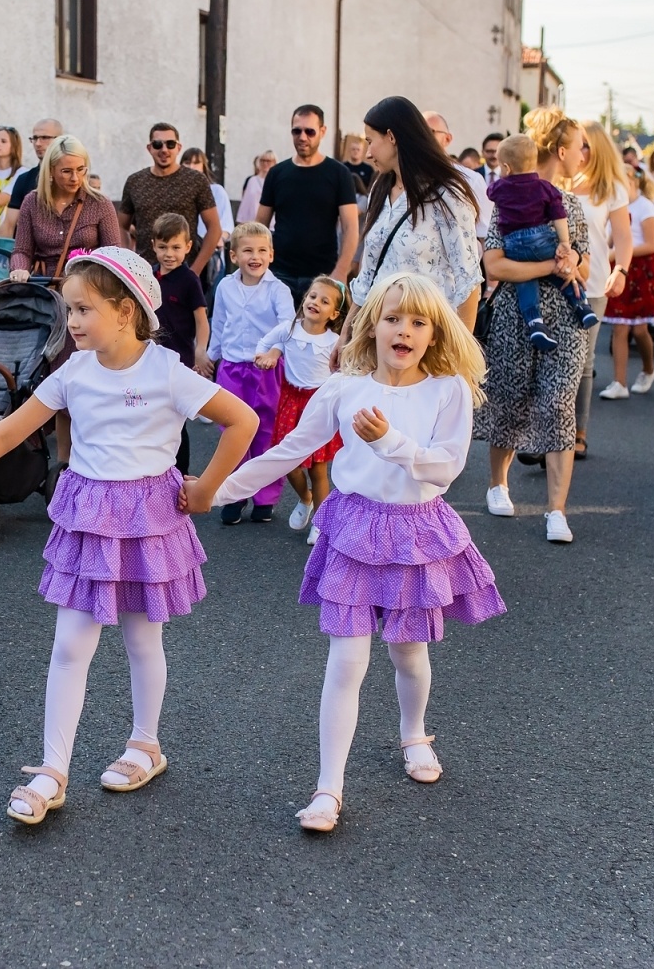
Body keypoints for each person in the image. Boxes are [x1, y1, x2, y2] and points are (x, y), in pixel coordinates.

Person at [0, 247, 258, 826]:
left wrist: (209, 488)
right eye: (68, 308)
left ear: (124, 312)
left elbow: (243, 420)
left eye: (82, 309)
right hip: (91, 517)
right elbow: (4, 435)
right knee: (70, 644)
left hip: (147, 515)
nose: (70, 320)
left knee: (143, 640)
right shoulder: (73, 371)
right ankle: (52, 770)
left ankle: (145, 744)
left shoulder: (168, 370)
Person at [209, 271, 505, 833]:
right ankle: (328, 789)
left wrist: (388, 442)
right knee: (346, 661)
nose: (405, 330)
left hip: (416, 531)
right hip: (352, 527)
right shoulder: (345, 387)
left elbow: (447, 466)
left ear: (436, 334)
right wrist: (217, 490)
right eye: (393, 317)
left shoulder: (449, 390)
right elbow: (289, 449)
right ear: (372, 326)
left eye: (419, 322)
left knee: (408, 654)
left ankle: (414, 734)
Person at [474, 106, 592, 544]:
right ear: (558, 150)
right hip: (512, 318)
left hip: (564, 320)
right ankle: (497, 483)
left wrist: (574, 259)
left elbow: (584, 261)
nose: (584, 155)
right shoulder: (503, 199)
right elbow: (495, 265)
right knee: (509, 398)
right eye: (580, 147)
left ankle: (556, 511)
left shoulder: (573, 205)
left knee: (559, 403)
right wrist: (552, 263)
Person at [347, 97, 481, 336]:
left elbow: (468, 282)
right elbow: (367, 274)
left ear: (391, 137)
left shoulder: (447, 194)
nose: (367, 153)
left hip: (427, 340)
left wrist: (460, 357)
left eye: (370, 141)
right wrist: (348, 331)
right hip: (377, 337)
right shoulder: (379, 186)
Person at [203, 221, 295, 524]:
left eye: (261, 251)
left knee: (265, 432)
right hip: (231, 367)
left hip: (265, 370)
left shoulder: (278, 290)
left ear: (271, 255)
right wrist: (209, 357)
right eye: (247, 251)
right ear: (234, 256)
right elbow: (219, 324)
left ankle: (264, 497)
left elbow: (288, 325)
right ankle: (233, 494)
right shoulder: (226, 287)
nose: (254, 256)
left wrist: (274, 352)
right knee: (232, 431)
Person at [252, 275, 347, 545]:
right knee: (288, 462)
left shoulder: (334, 340)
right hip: (291, 402)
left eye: (324, 301)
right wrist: (268, 354)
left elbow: (346, 370)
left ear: (334, 314)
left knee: (318, 468)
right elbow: (264, 345)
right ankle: (304, 498)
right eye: (313, 296)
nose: (315, 302)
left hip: (319, 405)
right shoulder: (288, 329)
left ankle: (320, 522)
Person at [486, 134, 595, 351]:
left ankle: (535, 323)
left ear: (506, 167)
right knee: (562, 274)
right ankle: (581, 305)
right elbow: (558, 215)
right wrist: (564, 245)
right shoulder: (546, 188)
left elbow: (490, 193)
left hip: (514, 244)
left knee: (525, 281)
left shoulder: (499, 188)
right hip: (542, 238)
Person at [566, 124, 632, 456]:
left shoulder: (611, 188)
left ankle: (579, 432)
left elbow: (622, 236)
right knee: (551, 356)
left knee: (584, 359)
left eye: (586, 145)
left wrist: (621, 269)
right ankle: (548, 431)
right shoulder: (560, 180)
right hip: (555, 278)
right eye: (578, 144)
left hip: (592, 283)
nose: (581, 151)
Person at [255, 104, 359, 303]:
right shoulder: (277, 173)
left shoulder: (339, 174)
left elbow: (351, 227)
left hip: (323, 276)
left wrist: (340, 271)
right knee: (277, 333)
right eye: (297, 131)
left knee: (318, 334)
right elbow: (260, 226)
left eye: (309, 131)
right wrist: (259, 266)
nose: (303, 137)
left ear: (322, 131)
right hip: (279, 274)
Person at [600, 167, 654, 399]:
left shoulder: (645, 206)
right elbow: (611, 236)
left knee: (640, 329)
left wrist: (618, 252)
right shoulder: (614, 204)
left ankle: (649, 369)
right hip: (620, 267)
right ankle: (619, 382)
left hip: (640, 270)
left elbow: (652, 244)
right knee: (620, 327)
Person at [10, 134, 121, 280]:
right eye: (66, 171)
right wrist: (19, 269)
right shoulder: (32, 202)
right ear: (51, 171)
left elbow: (114, 254)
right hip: (45, 287)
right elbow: (22, 250)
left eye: (80, 169)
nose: (75, 178)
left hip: (87, 288)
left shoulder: (100, 203)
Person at [149, 213, 210, 474]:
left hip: (180, 361)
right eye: (163, 247)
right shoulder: (150, 276)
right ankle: (156, 469)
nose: (169, 254)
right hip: (150, 358)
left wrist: (200, 351)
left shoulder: (188, 279)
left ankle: (181, 474)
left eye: (176, 247)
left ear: (187, 247)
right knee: (153, 417)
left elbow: (201, 319)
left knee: (177, 421)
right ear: (154, 245)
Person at [119, 122, 222, 276]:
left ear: (178, 147)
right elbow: (121, 226)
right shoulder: (135, 182)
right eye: (158, 144)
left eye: (170, 144)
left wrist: (195, 270)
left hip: (185, 272)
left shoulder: (196, 180)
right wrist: (127, 262)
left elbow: (214, 228)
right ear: (150, 148)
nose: (164, 150)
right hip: (144, 273)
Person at [425, 111, 492, 254]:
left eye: (430, 132)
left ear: (447, 139)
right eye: (416, 131)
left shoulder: (471, 180)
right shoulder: (399, 178)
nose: (422, 136)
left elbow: (485, 235)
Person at [0, 117, 63, 235]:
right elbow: (8, 225)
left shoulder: (72, 177)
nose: (38, 143)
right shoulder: (24, 179)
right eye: (34, 138)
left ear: (59, 140)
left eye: (44, 138)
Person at [180, 147, 235, 270]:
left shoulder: (217, 191)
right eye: (187, 162)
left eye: (196, 163)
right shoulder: (177, 193)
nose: (191, 166)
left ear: (203, 166)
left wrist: (218, 240)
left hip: (209, 257)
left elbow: (226, 226)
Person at [236, 149, 276, 224]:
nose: (265, 163)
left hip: (271, 223)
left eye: (268, 161)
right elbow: (246, 202)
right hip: (252, 221)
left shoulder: (276, 180)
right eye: (262, 160)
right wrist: (241, 219)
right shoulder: (252, 180)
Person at [340, 134, 375, 204]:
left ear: (362, 152)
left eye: (358, 149)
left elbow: (372, 186)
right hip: (345, 199)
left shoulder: (368, 169)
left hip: (363, 200)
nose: (356, 151)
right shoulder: (342, 167)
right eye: (353, 149)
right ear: (349, 151)